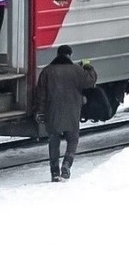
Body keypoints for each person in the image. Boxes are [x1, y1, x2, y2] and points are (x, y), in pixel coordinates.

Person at [33, 45, 97, 182]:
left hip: (52, 111)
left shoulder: (47, 71)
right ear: (70, 55)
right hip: (72, 110)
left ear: (58, 55)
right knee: (73, 139)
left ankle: (54, 172)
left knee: (53, 141)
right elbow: (90, 81)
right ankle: (67, 164)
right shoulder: (76, 70)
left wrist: (40, 111)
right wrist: (88, 67)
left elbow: (41, 95)